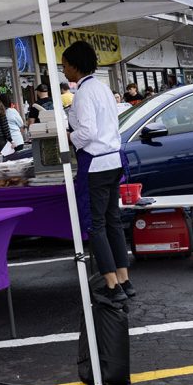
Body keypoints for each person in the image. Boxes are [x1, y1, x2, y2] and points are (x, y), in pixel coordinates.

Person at [62, 41, 135, 304]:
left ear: (75, 65)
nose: (63, 69)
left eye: (65, 64)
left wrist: (69, 136)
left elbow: (88, 132)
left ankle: (111, 284)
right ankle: (124, 279)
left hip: (95, 164)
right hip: (114, 161)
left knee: (96, 225)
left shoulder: (82, 93)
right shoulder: (103, 88)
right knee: (113, 221)